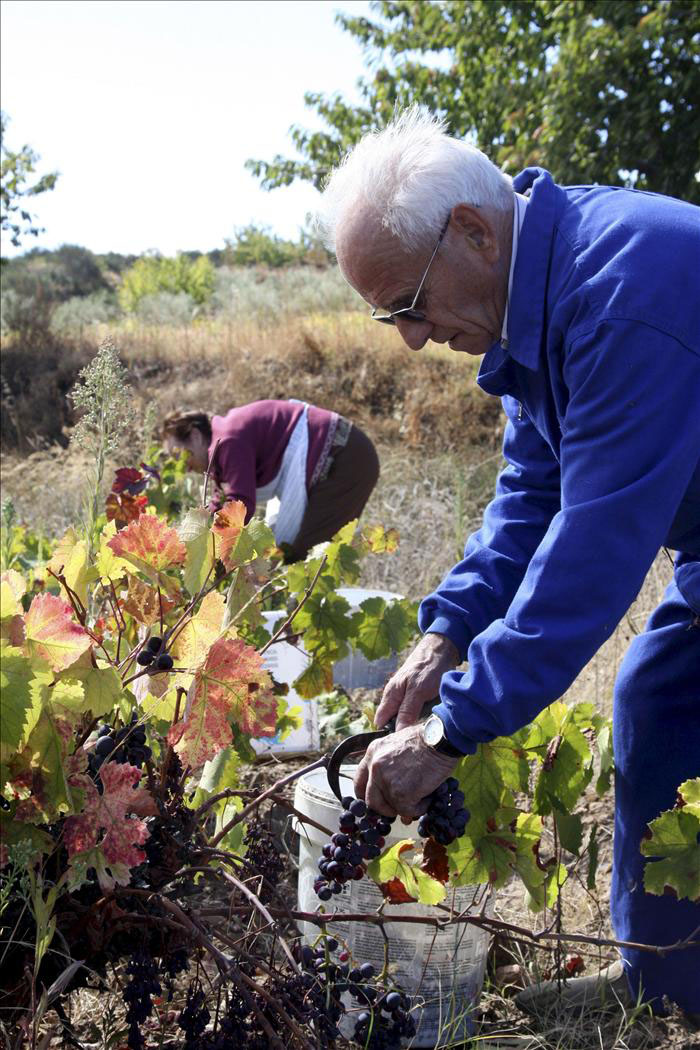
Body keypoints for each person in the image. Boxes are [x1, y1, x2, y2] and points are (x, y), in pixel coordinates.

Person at [316, 107, 700, 1017]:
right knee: (662, 696)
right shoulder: (541, 296)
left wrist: (453, 732)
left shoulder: (623, 291)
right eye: (391, 319)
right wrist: (445, 635)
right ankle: (668, 990)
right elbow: (531, 497)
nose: (411, 338)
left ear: (474, 233)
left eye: (409, 305)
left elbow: (592, 553)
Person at [161, 400, 379, 562]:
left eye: (180, 453)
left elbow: (240, 505)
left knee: (303, 556)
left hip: (344, 457)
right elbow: (223, 501)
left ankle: (297, 619)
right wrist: (187, 538)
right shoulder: (223, 443)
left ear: (195, 435)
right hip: (342, 453)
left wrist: (213, 553)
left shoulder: (228, 441)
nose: (184, 466)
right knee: (287, 553)